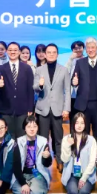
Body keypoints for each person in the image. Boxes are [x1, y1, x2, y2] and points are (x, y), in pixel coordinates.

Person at [11, 115, 52, 194]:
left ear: (38, 127)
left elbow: (47, 164)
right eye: (29, 126)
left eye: (34, 126)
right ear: (24, 128)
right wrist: (23, 183)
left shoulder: (43, 141)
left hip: (37, 175)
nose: (32, 128)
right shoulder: (18, 142)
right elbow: (16, 166)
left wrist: (47, 157)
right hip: (21, 175)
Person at [34, 43, 71, 171]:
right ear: (45, 54)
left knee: (58, 137)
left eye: (53, 52)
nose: (51, 54)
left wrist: (66, 109)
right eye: (48, 52)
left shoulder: (64, 70)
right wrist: (40, 85)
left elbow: (67, 90)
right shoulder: (39, 70)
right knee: (42, 138)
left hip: (58, 109)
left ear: (57, 54)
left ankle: (60, 160)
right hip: (42, 109)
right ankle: (43, 162)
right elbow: (35, 88)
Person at [71, 37, 97, 137]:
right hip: (83, 105)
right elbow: (74, 80)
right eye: (88, 48)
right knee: (83, 133)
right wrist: (74, 82)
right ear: (86, 49)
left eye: (93, 47)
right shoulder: (80, 62)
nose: (90, 50)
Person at [0, 42, 35, 138]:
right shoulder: (2, 68)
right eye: (10, 50)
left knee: (22, 136)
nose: (13, 52)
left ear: (19, 52)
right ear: (7, 51)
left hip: (23, 109)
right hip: (6, 109)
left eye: (15, 50)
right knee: (8, 137)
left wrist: (30, 108)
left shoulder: (27, 68)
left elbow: (30, 89)